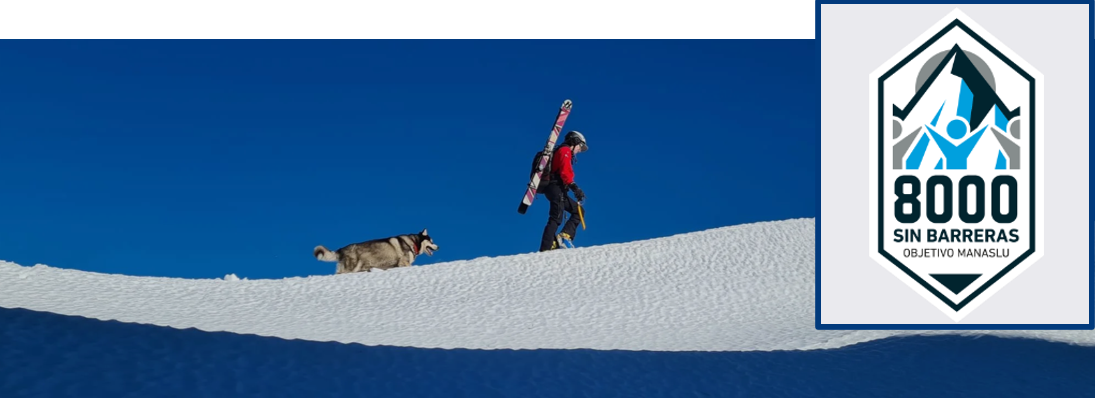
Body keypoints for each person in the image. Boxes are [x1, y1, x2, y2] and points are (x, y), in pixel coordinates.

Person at [538, 130, 589, 251]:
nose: (579, 150)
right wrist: (574, 187)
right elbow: (565, 171)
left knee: (579, 211)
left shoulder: (565, 152)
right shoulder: (564, 150)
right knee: (556, 217)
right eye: (580, 146)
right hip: (555, 188)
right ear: (574, 141)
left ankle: (562, 237)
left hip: (557, 188)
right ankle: (546, 248)